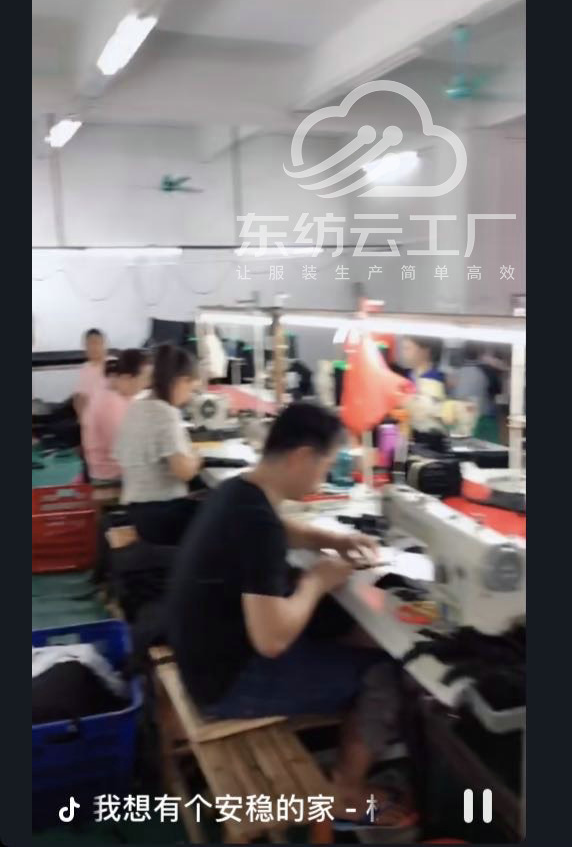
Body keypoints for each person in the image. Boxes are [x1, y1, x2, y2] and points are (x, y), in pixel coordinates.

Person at [168, 403, 410, 826]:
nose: (324, 478)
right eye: (326, 466)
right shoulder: (257, 523)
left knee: (347, 631)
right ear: (302, 456)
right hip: (228, 684)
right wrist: (317, 581)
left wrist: (330, 539)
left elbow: (278, 530)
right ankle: (346, 791)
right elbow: (272, 640)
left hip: (204, 657)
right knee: (384, 671)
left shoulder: (239, 492)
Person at [113, 343, 204, 545]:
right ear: (181, 381)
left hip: (138, 511)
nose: (189, 397)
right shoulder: (165, 413)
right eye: (190, 389)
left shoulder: (136, 406)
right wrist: (196, 459)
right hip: (161, 515)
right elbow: (184, 472)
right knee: (228, 517)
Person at [81, 349, 150, 484]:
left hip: (118, 470)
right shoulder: (110, 402)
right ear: (127, 378)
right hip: (112, 476)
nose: (146, 385)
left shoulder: (118, 393)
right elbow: (123, 448)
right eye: (144, 379)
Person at [452, 343, 496, 441]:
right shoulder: (487, 370)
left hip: (463, 417)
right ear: (480, 354)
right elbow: (496, 390)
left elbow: (453, 393)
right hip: (484, 417)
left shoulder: (456, 372)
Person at [73, 328, 107, 421]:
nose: (93, 347)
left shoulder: (113, 364)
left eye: (96, 343)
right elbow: (79, 397)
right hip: (89, 417)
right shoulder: (85, 367)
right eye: (89, 344)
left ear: (103, 344)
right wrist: (83, 418)